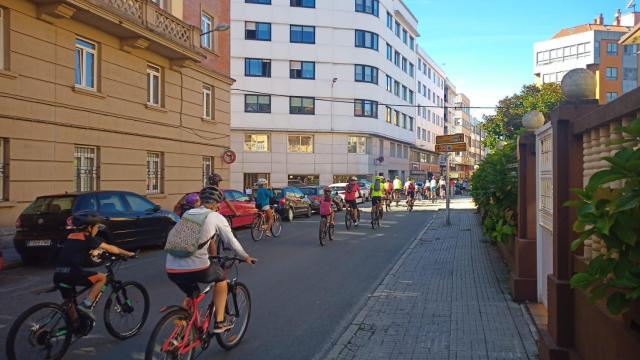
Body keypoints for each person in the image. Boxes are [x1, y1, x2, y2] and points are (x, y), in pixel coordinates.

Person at [166, 187, 257, 333]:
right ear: (217, 204)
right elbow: (231, 242)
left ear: (200, 201)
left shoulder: (188, 214)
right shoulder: (216, 217)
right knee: (221, 280)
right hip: (197, 268)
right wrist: (245, 257)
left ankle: (179, 328)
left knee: (192, 293)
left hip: (171, 268)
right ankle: (220, 322)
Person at [53, 211, 134, 321]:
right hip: (72, 273)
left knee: (69, 303)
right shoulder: (86, 238)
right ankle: (86, 305)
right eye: (96, 227)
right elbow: (111, 248)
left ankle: (75, 327)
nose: (97, 230)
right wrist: (129, 254)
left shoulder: (69, 236)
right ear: (89, 228)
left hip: (58, 274)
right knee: (102, 277)